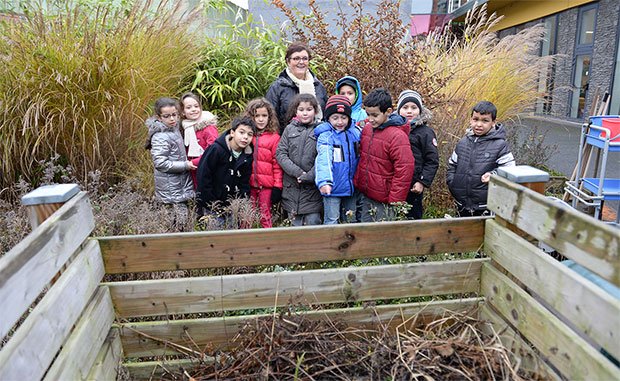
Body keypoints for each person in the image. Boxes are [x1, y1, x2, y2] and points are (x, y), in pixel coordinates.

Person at [353, 88, 414, 222]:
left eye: (375, 115)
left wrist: (396, 199)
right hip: (367, 194)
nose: (370, 119)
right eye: (368, 114)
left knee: (382, 236)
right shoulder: (367, 129)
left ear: (388, 112)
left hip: (385, 199)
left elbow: (404, 169)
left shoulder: (397, 137)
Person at [447, 100, 515, 216]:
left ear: (493, 122)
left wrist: (494, 175)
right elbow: (452, 165)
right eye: (475, 119)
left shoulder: (500, 145)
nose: (479, 124)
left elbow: (510, 169)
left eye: (485, 121)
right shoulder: (463, 143)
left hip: (486, 206)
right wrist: (452, 183)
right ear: (470, 120)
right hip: (462, 204)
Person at [144, 97, 195, 230]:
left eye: (174, 115)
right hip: (171, 188)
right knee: (178, 222)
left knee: (183, 221)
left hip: (179, 184)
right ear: (159, 117)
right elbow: (160, 163)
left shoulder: (173, 129)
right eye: (167, 116)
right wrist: (185, 165)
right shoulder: (160, 136)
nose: (172, 119)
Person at [195, 116, 255, 221]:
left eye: (250, 135)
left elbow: (244, 182)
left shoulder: (247, 155)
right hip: (212, 205)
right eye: (241, 132)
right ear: (232, 133)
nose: (245, 137)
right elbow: (203, 175)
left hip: (232, 207)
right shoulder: (216, 149)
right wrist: (210, 203)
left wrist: (241, 203)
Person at [276, 94, 323, 226]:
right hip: (291, 189)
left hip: (312, 192)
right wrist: (298, 173)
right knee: (293, 229)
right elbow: (281, 153)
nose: (305, 113)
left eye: (309, 109)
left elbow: (323, 157)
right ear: (295, 111)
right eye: (301, 109)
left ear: (315, 111)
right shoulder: (289, 129)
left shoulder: (321, 130)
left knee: (313, 224)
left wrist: (309, 176)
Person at [314, 95, 361, 224]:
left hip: (351, 187)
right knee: (331, 220)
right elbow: (324, 159)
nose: (340, 122)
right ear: (328, 118)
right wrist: (324, 182)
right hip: (332, 187)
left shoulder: (355, 133)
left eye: (344, 117)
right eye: (335, 118)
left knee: (351, 220)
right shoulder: (326, 136)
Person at [266, 42, 328, 133]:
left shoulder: (318, 86)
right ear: (288, 61)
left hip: (317, 140)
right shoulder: (278, 87)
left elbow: (326, 116)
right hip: (288, 142)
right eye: (296, 58)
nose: (301, 62)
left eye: (305, 58)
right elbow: (270, 119)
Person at [397, 90, 439, 220]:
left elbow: (432, 160)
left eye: (414, 108)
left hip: (414, 184)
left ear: (420, 110)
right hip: (395, 183)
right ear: (398, 110)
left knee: (412, 217)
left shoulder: (425, 133)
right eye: (405, 107)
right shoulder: (394, 129)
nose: (409, 111)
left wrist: (422, 181)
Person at [243, 98, 283, 228]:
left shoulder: (274, 137)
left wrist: (278, 186)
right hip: (249, 184)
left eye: (264, 116)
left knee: (265, 215)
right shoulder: (247, 136)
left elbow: (277, 164)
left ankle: (269, 242)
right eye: (257, 116)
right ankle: (243, 241)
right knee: (246, 216)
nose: (261, 119)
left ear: (269, 117)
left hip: (266, 186)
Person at [180, 92, 218, 188]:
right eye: (189, 107)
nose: (193, 110)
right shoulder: (186, 127)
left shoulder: (207, 127)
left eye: (196, 106)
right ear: (183, 112)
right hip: (193, 169)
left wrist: (192, 163)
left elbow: (212, 151)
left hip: (207, 168)